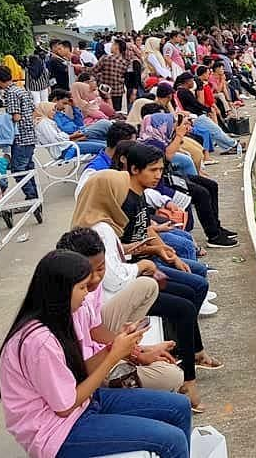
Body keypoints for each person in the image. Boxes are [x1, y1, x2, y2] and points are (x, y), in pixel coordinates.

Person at [0, 249, 192, 458]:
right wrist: (114, 356)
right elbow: (65, 406)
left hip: (84, 403)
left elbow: (79, 373)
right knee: (172, 440)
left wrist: (113, 347)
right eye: (81, 287)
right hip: (58, 431)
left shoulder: (59, 319)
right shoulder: (39, 342)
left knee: (180, 406)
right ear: (60, 292)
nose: (87, 293)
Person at [71, 170, 221, 411]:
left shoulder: (108, 222)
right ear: (108, 196)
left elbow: (123, 251)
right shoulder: (99, 229)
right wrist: (143, 262)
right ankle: (188, 377)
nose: (125, 197)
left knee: (189, 289)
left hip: (128, 284)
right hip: (120, 291)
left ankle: (192, 353)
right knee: (182, 304)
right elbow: (112, 278)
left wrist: (150, 250)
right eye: (120, 193)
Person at [56, 227, 184, 392]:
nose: (95, 278)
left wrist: (132, 349)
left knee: (152, 286)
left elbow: (95, 329)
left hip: (97, 354)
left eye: (101, 269)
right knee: (172, 377)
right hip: (88, 370)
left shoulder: (85, 291)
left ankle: (130, 358)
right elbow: (77, 379)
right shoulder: (68, 307)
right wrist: (135, 355)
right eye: (88, 273)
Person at [0, 66, 41, 221]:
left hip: (20, 137)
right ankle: (35, 197)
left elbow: (16, 117)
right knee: (28, 167)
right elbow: (33, 111)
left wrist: (2, 121)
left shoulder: (10, 93)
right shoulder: (21, 90)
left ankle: (32, 197)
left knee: (18, 169)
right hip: (30, 136)